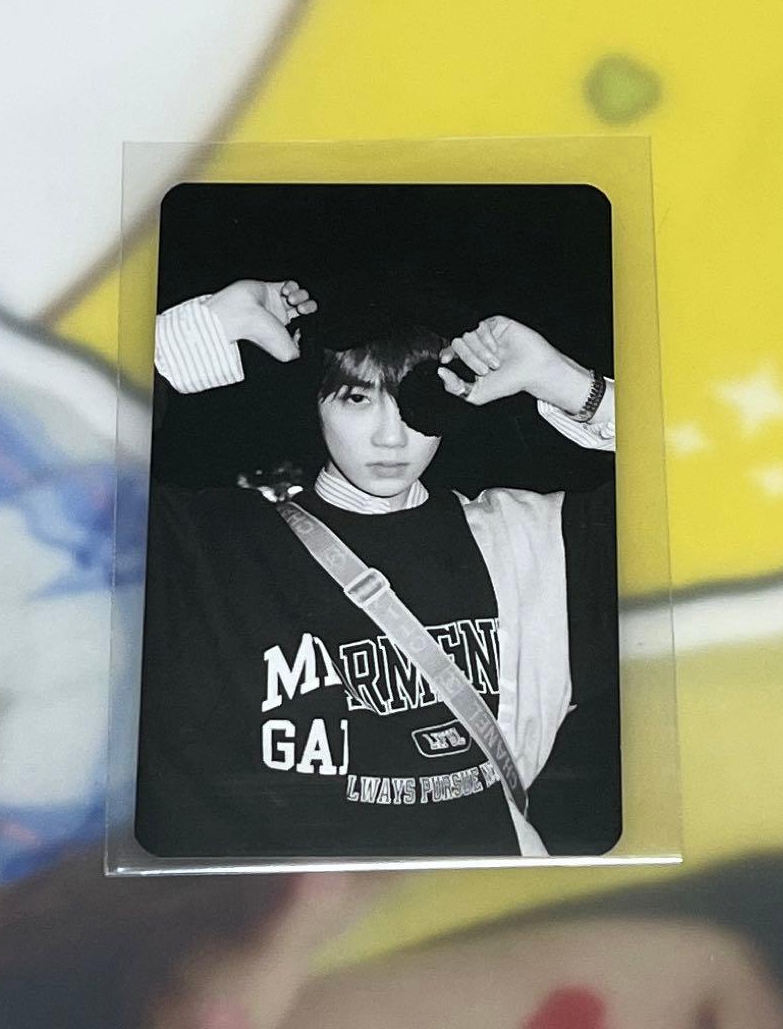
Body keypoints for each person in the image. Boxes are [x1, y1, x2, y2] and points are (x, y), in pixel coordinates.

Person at [137, 278, 617, 860]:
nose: (392, 437)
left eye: (417, 403)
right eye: (357, 398)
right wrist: (187, 338)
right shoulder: (214, 545)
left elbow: (707, 492)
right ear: (316, 403)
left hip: (486, 898)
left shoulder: (527, 539)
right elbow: (45, 487)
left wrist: (565, 381)